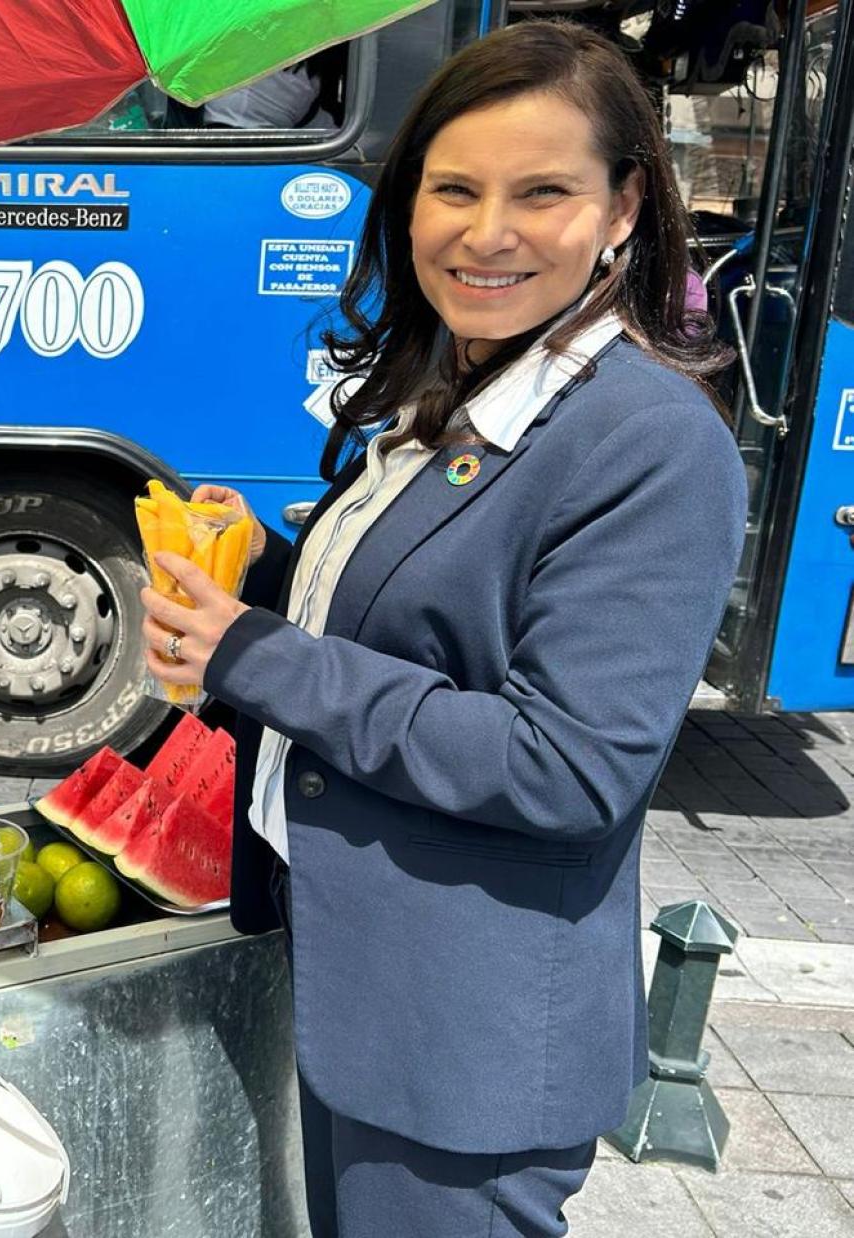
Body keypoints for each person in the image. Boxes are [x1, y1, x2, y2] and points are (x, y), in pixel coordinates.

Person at [140, 22, 744, 1238]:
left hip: (460, 1037)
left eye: (544, 193)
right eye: (454, 188)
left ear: (622, 209)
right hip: (360, 977)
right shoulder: (461, 383)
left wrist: (256, 657)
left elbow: (567, 764)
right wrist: (272, 569)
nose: (487, 231)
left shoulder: (652, 445)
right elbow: (426, 624)